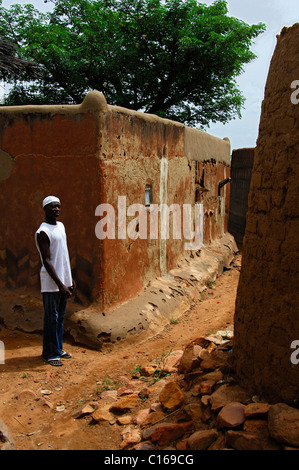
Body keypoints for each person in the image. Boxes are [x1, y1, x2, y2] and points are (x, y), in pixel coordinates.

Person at [35, 196, 76, 366]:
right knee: (51, 318)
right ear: (45, 209)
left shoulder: (60, 226)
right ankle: (49, 354)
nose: (56, 210)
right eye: (53, 207)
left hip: (63, 281)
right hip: (52, 283)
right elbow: (47, 261)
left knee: (60, 318)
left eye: (58, 207)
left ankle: (58, 349)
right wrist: (60, 284)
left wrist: (69, 278)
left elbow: (63, 255)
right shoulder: (43, 232)